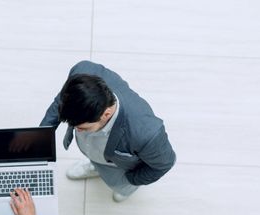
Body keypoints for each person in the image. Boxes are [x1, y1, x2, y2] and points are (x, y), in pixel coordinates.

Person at [40, 61, 176, 202]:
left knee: (121, 185)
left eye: (82, 127)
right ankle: (95, 165)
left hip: (119, 167)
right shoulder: (82, 73)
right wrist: (42, 137)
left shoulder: (147, 135)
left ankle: (126, 189)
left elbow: (164, 164)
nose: (76, 131)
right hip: (97, 150)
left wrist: (131, 180)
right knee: (95, 156)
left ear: (106, 114)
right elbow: (61, 101)